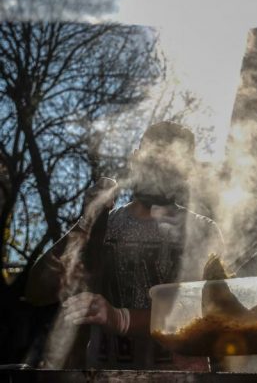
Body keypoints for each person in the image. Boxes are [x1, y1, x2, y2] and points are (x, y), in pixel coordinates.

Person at [26, 121, 224, 370]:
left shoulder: (203, 231)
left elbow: (213, 312)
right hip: (106, 378)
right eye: (153, 160)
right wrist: (87, 221)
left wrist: (121, 319)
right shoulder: (102, 228)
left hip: (181, 378)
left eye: (171, 165)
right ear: (135, 160)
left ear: (186, 172)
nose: (160, 171)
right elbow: (37, 291)